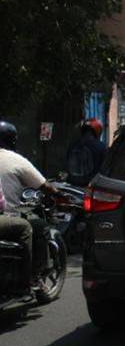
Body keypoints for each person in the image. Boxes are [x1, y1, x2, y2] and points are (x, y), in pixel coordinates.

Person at [0, 121, 58, 286]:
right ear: (12, 140)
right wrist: (58, 194)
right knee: (33, 226)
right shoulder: (16, 159)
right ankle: (28, 278)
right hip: (5, 219)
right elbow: (44, 185)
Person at [66, 118, 108, 186]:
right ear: (98, 131)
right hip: (92, 186)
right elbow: (106, 170)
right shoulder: (101, 147)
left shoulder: (72, 146)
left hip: (72, 185)